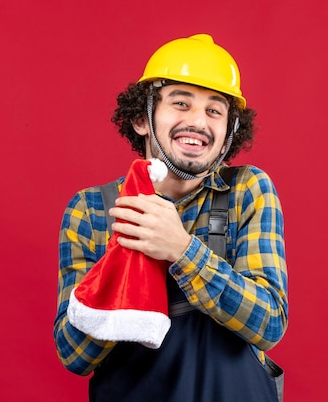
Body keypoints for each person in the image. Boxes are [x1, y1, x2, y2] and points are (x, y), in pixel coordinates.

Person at [54, 34, 288, 402]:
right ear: (141, 119)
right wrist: (124, 262)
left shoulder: (247, 189)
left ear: (229, 130)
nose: (198, 121)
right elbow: (73, 354)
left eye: (215, 111)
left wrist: (180, 249)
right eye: (180, 103)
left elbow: (269, 323)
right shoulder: (94, 209)